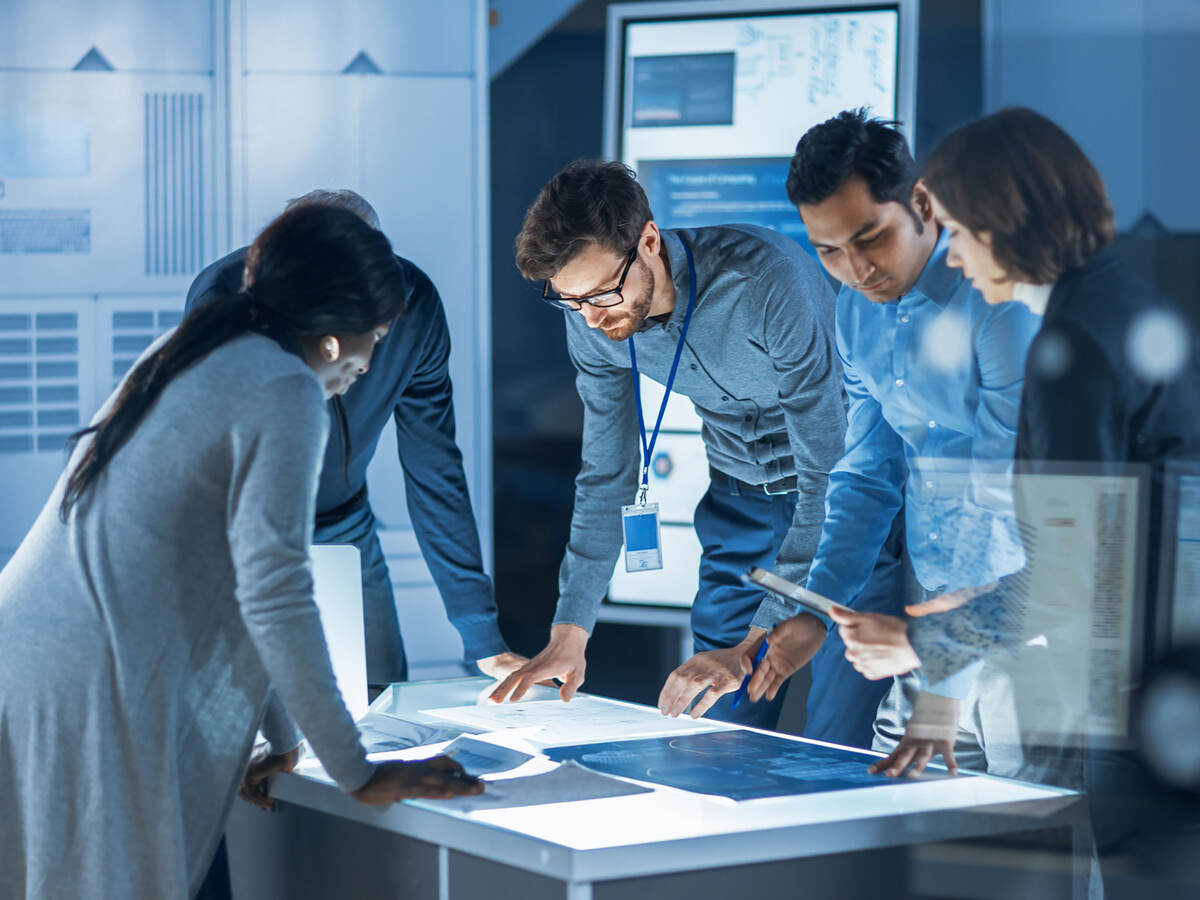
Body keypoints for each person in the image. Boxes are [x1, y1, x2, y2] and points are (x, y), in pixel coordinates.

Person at [0, 205, 482, 900]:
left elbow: (235, 582)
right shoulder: (284, 392)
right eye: (373, 335)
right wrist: (359, 772)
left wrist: (281, 742)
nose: (372, 360)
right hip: (88, 691)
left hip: (40, 669)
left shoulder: (199, 351)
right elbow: (275, 595)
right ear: (330, 334)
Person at [671, 108, 1039, 771]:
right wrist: (814, 611)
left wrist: (937, 650)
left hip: (1014, 625)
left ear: (921, 203)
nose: (857, 268)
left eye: (871, 237)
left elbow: (1006, 507)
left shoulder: (998, 305)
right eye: (829, 251)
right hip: (927, 622)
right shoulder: (857, 314)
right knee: (896, 825)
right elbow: (864, 479)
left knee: (1039, 843)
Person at [491, 158, 889, 738]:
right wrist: (569, 631)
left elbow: (827, 472)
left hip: (844, 512)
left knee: (841, 738)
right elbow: (607, 471)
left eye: (602, 294)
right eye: (571, 302)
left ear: (647, 240)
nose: (593, 320)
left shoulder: (764, 282)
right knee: (711, 731)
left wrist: (759, 639)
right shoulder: (589, 317)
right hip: (740, 510)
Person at [186, 190, 525, 690]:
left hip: (345, 523)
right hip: (230, 524)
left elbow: (435, 469)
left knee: (380, 692)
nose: (366, 365)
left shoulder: (413, 305)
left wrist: (482, 638)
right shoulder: (227, 301)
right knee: (241, 696)